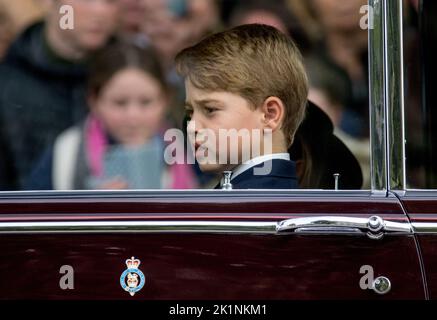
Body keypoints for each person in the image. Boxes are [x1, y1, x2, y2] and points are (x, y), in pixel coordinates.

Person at [26, 40, 197, 190]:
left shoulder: (190, 151)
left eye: (146, 102)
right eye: (119, 103)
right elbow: (31, 215)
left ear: (165, 100)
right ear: (94, 101)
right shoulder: (65, 154)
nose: (133, 116)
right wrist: (91, 210)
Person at [0, 0, 119, 190]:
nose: (100, 11)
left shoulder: (133, 75)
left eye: (110, 1)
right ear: (48, 3)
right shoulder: (8, 84)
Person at [175, 24, 308, 189]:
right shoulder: (276, 194)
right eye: (190, 112)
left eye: (210, 109)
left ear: (270, 115)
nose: (191, 127)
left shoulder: (246, 207)